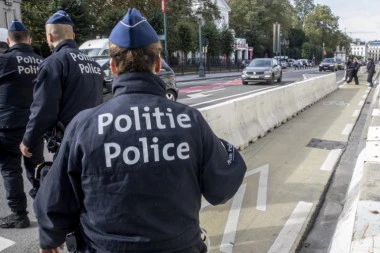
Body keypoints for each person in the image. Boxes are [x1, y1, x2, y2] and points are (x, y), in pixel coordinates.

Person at [33, 8, 247, 253]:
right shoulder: (189, 121)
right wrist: (221, 147)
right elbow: (223, 186)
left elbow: (53, 202)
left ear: (113, 66)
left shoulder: (84, 125)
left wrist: (49, 240)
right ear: (157, 64)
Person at [20, 10, 104, 160]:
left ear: (50, 37)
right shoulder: (94, 64)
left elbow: (44, 107)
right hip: (94, 138)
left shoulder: (54, 63)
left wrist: (28, 139)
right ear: (73, 36)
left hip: (69, 143)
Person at [0, 19, 44, 228]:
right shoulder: (41, 61)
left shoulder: (4, 61)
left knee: (10, 170)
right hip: (34, 125)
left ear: (9, 41)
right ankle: (45, 211)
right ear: (29, 39)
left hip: (7, 126)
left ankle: (19, 215)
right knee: (36, 168)